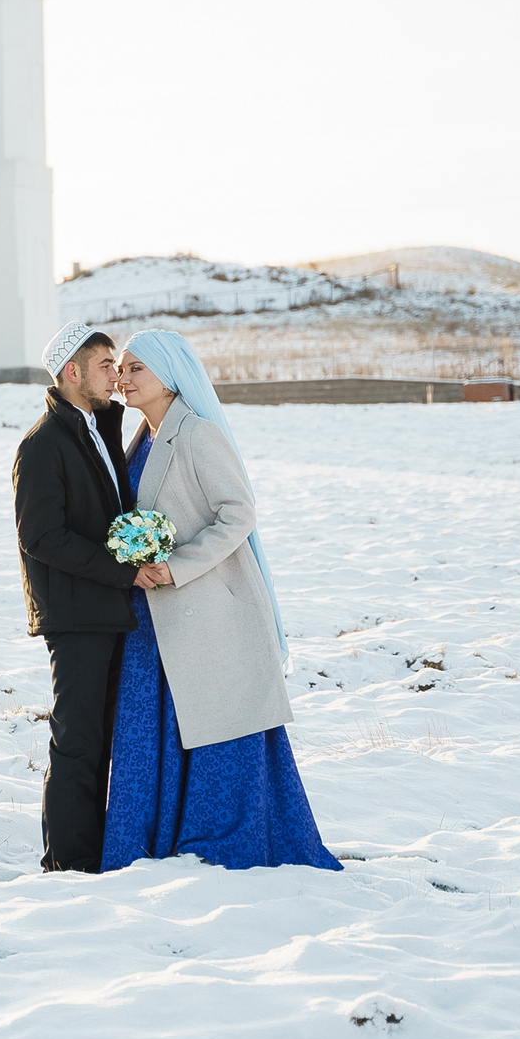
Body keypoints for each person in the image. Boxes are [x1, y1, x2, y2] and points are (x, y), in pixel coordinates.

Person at [100, 328, 340, 873]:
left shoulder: (197, 432)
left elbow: (238, 512)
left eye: (137, 369)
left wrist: (176, 565)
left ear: (170, 374)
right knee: (145, 724)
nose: (123, 378)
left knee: (214, 719)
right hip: (149, 613)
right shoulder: (142, 435)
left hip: (203, 609)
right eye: (123, 368)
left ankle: (220, 839)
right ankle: (144, 841)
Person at [12, 321, 138, 873]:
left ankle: (96, 852)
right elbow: (41, 538)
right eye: (107, 366)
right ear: (72, 372)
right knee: (78, 745)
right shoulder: (42, 445)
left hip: (107, 609)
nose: (117, 377)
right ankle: (67, 862)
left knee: (102, 741)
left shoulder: (97, 427)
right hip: (75, 614)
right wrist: (122, 571)